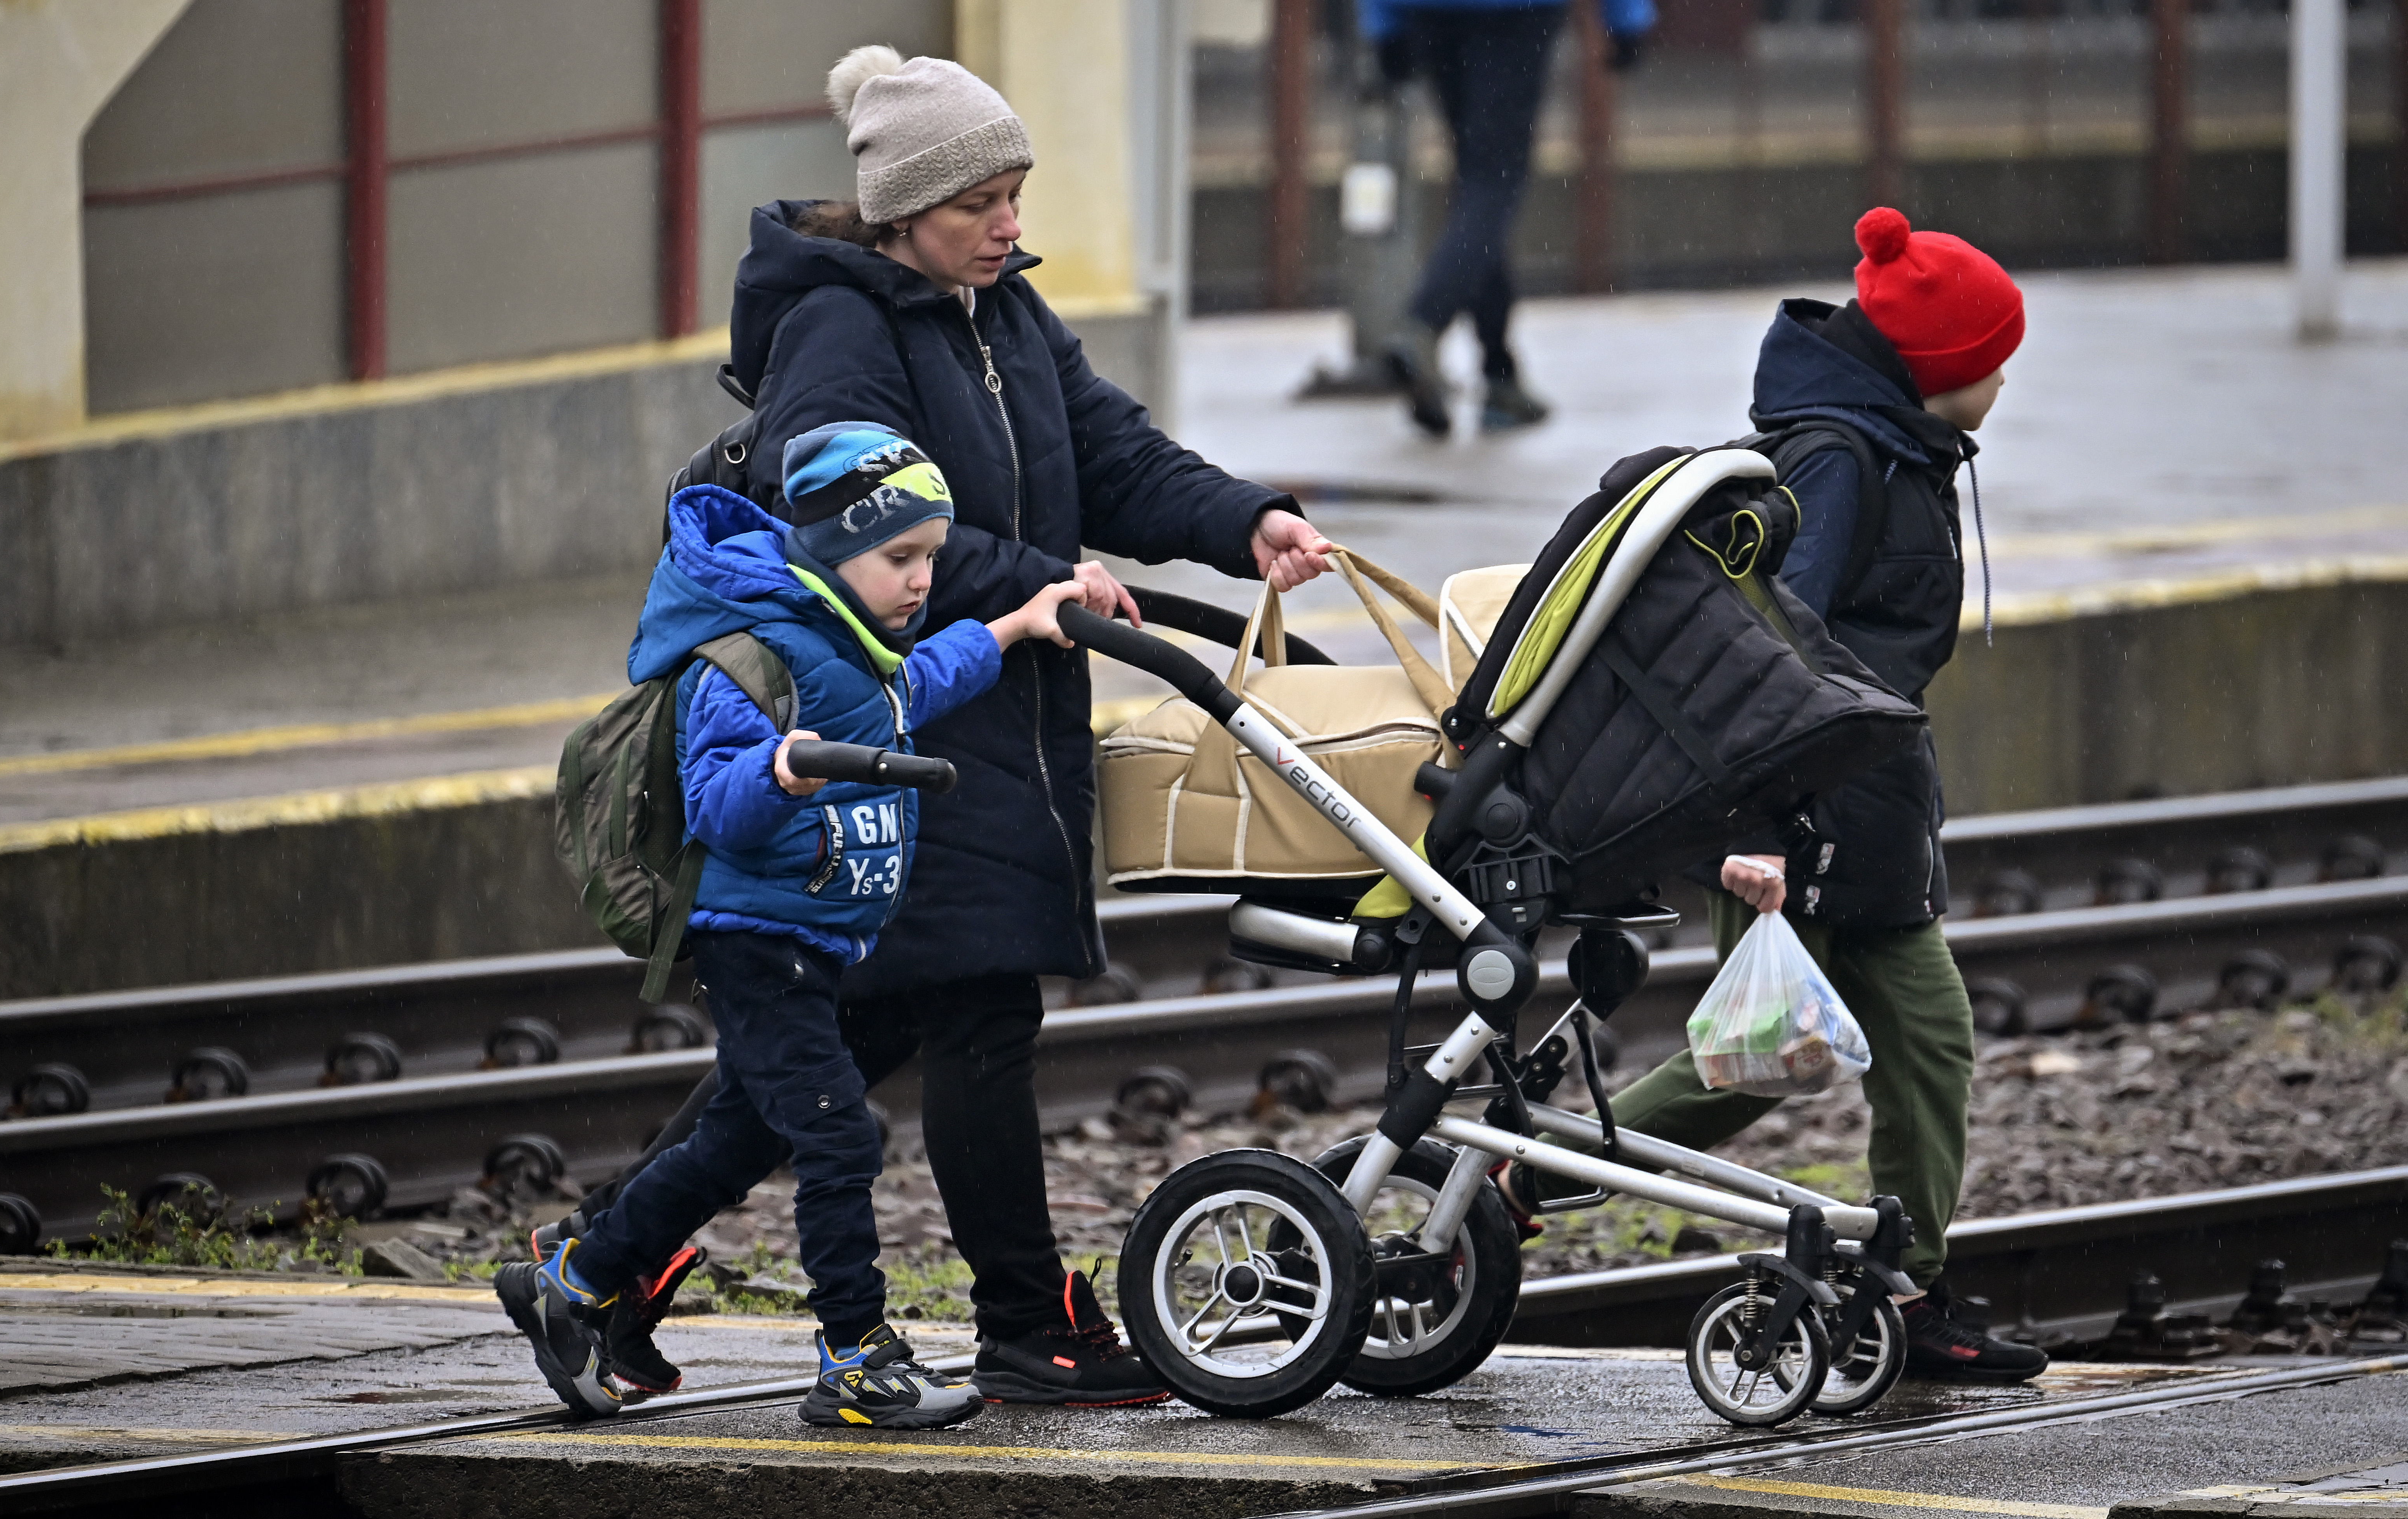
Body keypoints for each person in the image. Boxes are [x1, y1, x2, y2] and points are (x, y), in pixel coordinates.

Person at [532, 44, 1338, 1409]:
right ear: (907, 209)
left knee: (847, 1048)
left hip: (993, 714)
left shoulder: (1002, 314)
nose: (1010, 227)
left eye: (1017, 196)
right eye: (982, 204)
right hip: (899, 722)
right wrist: (1036, 583)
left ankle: (600, 1270)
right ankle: (1028, 1324)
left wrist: (1240, 519)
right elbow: (852, 532)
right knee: (976, 1017)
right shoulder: (841, 334)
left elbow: (1113, 454)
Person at [1508, 207, 2049, 1382]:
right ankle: (1519, 1176)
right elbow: (1757, 653)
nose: (2002, 379)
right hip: (1796, 810)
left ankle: (1902, 1287)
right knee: (1760, 1057)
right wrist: (1749, 832)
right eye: (1989, 359)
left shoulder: (1897, 449)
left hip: (1870, 802)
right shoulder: (1835, 462)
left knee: (1922, 1036)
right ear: (1938, 368)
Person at [497, 423, 1090, 1426]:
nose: (921, 581)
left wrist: (1016, 624)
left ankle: (584, 1275)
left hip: (822, 944)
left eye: (932, 559)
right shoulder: (748, 654)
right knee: (837, 1136)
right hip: (758, 943)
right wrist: (783, 771)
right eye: (901, 557)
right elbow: (718, 803)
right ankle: (854, 1356)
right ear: (828, 545)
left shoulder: (853, 647)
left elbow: (916, 687)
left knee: (730, 1143)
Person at [1367, 0, 1654, 437]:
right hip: (1514, 11)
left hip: (1431, 11)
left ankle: (1499, 375)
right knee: (1491, 181)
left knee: (1474, 178)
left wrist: (1382, 21)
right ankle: (1423, 325)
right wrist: (1627, 17)